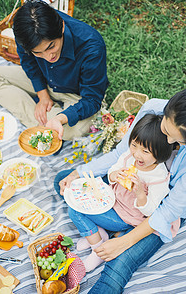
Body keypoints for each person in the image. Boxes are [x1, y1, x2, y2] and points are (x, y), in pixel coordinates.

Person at [54, 89, 186, 292]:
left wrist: (125, 243)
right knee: (64, 181)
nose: (168, 141)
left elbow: (166, 211)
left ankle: (120, 233)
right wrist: (80, 173)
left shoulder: (162, 177)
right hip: (126, 194)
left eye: (177, 140)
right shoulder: (153, 109)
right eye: (165, 131)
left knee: (118, 265)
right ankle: (112, 230)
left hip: (161, 211)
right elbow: (121, 154)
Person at [68, 113, 177, 272]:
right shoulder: (129, 157)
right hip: (110, 200)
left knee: (75, 210)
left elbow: (151, 211)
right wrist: (114, 175)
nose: (137, 154)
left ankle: (97, 248)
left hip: (125, 216)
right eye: (134, 145)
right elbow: (113, 170)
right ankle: (99, 235)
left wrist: (140, 193)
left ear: (160, 153)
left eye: (145, 151)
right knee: (74, 197)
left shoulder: (158, 177)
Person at [0, 0, 108, 141]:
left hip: (75, 94)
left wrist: (61, 118)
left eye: (51, 47)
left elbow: (92, 99)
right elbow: (28, 62)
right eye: (38, 53)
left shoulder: (91, 46)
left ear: (62, 27)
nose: (48, 56)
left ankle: (48, 122)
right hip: (45, 79)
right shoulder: (25, 33)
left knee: (75, 131)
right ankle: (48, 122)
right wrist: (42, 94)